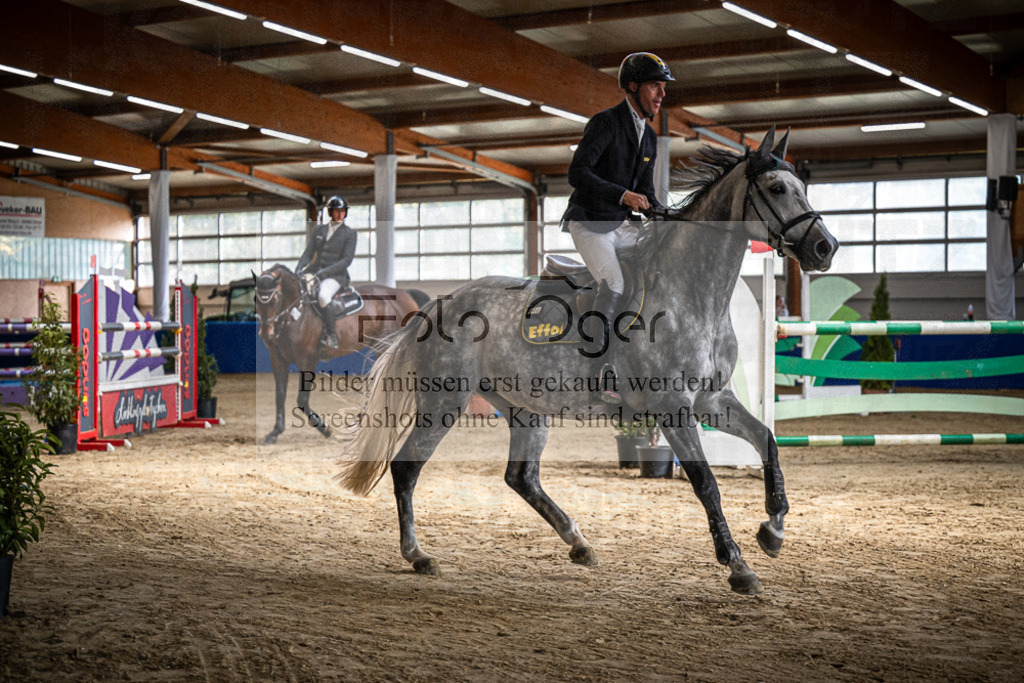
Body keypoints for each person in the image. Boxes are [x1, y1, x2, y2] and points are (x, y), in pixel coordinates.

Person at [560, 52, 674, 404]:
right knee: (615, 282)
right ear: (633, 86)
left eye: (663, 87)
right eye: (655, 86)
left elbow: (647, 194)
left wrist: (674, 217)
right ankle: (600, 369)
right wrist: (623, 195)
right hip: (590, 222)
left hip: (623, 225)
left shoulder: (649, 137)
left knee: (656, 274)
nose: (662, 94)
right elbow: (577, 173)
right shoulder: (605, 123)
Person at [296, 195, 357, 348]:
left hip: (336, 276)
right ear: (330, 212)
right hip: (315, 271)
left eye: (343, 211)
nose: (340, 214)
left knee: (323, 296)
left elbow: (346, 260)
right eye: (337, 211)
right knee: (297, 292)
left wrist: (326, 272)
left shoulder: (349, 233)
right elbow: (308, 253)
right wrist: (299, 268)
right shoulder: (319, 230)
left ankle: (331, 336)